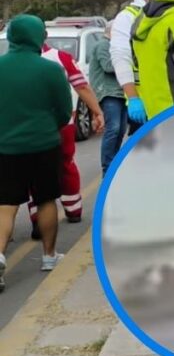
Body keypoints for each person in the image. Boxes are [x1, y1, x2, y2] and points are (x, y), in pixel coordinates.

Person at [0, 15, 74, 288]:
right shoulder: (50, 69)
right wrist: (49, 126)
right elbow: (65, 110)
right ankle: (49, 255)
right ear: (36, 37)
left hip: (5, 147)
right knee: (45, 200)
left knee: (5, 205)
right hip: (43, 144)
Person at [26, 40, 105, 235]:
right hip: (61, 123)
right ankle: (73, 209)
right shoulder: (61, 57)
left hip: (26, 125)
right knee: (65, 164)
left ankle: (37, 218)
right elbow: (82, 87)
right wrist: (97, 111)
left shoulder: (8, 61)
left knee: (32, 170)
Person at [111, 0, 163, 126]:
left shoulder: (173, 13)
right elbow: (121, 57)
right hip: (144, 104)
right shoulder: (128, 17)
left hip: (171, 100)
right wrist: (133, 98)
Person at [89, 23, 127, 175]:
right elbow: (108, 66)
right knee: (113, 129)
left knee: (120, 130)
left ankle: (114, 163)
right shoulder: (103, 45)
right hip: (108, 92)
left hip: (119, 92)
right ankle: (108, 167)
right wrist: (127, 62)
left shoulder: (113, 46)